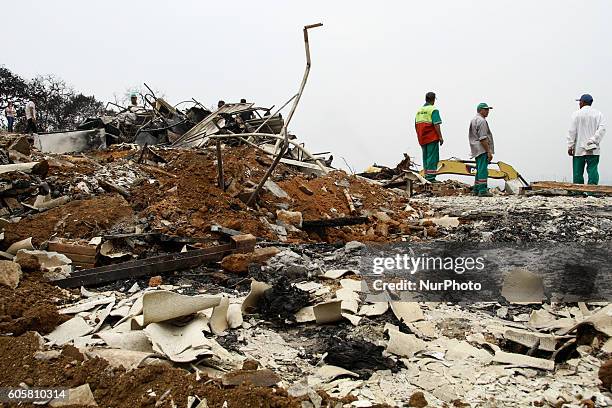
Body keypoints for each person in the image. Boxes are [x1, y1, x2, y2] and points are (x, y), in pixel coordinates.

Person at [567, 94, 606, 186]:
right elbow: (602, 129)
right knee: (593, 169)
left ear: (583, 102)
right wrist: (593, 140)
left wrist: (570, 146)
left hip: (579, 148)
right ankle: (592, 190)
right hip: (593, 148)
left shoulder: (576, 114)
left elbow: (572, 131)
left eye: (580, 102)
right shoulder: (598, 114)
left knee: (578, 171)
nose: (579, 104)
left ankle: (577, 190)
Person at [415, 92, 443, 182]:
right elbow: (436, 124)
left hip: (422, 138)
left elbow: (416, 125)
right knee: (432, 158)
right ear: (434, 99)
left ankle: (426, 176)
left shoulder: (419, 111)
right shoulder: (433, 110)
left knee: (425, 157)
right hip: (431, 137)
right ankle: (431, 178)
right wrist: (440, 137)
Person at [468, 103, 495, 197]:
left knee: (479, 168)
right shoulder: (482, 121)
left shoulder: (473, 120)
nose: (488, 111)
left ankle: (477, 188)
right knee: (483, 169)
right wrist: (488, 151)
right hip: (482, 148)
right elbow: (483, 138)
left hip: (475, 148)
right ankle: (483, 190)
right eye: (486, 109)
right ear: (480, 110)